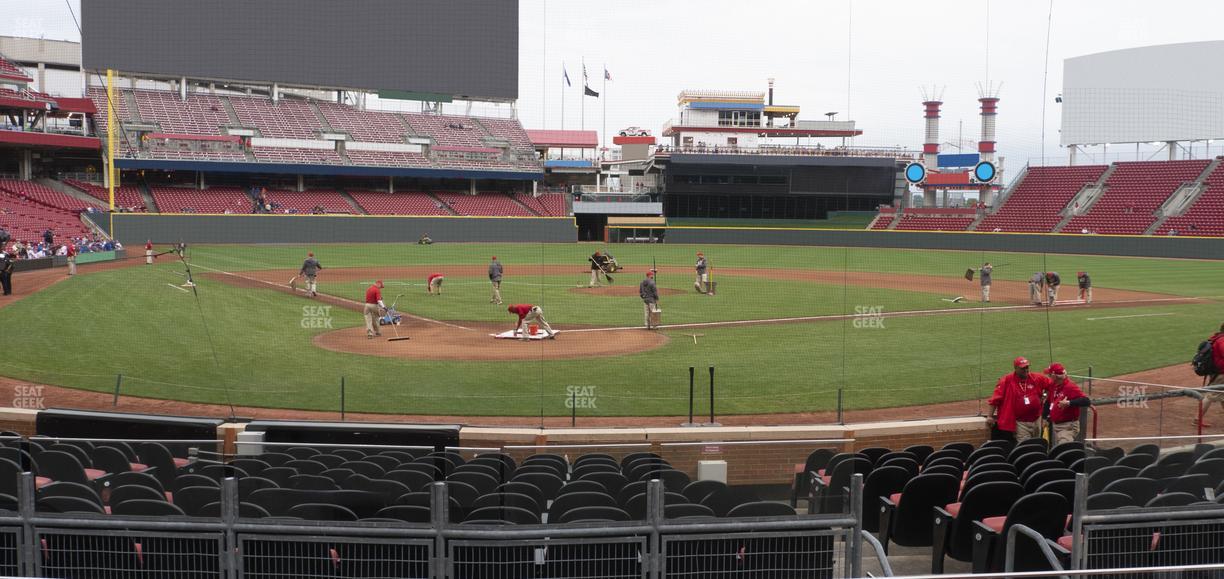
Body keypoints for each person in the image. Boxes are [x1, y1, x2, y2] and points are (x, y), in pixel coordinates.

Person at [987, 356, 1053, 442]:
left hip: (1036, 420)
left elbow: (1052, 385)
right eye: (1022, 368)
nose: (1026, 370)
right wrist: (989, 416)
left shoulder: (1036, 378)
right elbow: (995, 399)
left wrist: (1045, 396)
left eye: (1027, 367)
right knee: (1025, 447)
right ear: (1016, 368)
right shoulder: (1007, 380)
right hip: (1020, 423)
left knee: (1036, 444)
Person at [1044, 363, 1090, 444]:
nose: (1048, 376)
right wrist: (1044, 418)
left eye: (1049, 374)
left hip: (1067, 426)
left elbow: (1086, 401)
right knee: (1057, 450)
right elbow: (1048, 402)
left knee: (1064, 449)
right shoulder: (1053, 385)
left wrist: (1069, 403)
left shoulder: (1070, 387)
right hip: (1056, 425)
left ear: (1054, 376)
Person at [1194, 322, 1224, 428]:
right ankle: (1198, 418)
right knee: (1211, 395)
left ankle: (1198, 418)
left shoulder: (1216, 337)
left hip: (1217, 371)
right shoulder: (1222, 340)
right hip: (1221, 373)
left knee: (1221, 395)